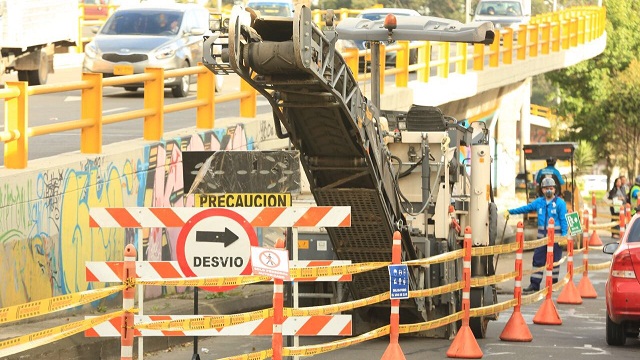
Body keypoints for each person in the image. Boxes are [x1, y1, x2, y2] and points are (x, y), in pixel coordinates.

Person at [505, 177, 568, 293]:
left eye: (551, 188)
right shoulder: (539, 202)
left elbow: (564, 220)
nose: (548, 190)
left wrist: (564, 236)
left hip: (556, 239)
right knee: (538, 261)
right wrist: (510, 211)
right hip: (541, 239)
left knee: (554, 262)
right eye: (546, 188)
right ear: (542, 190)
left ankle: (552, 284)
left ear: (555, 189)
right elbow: (526, 208)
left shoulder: (560, 203)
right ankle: (534, 285)